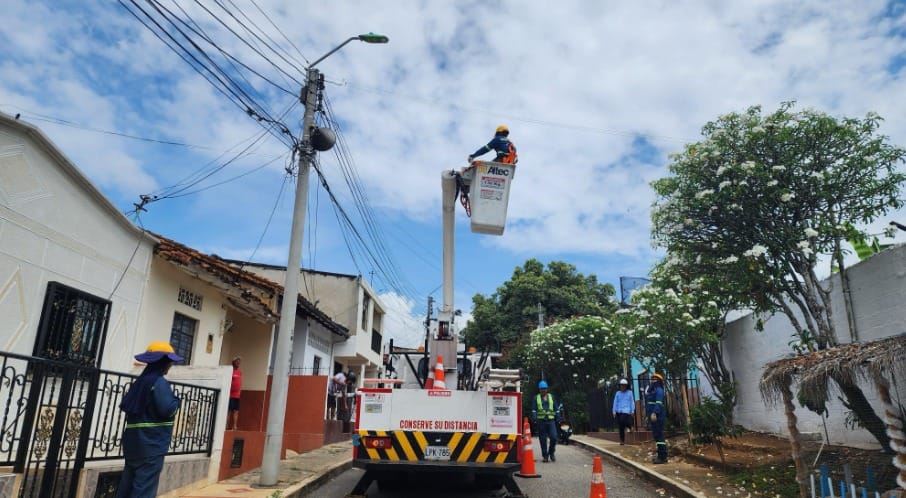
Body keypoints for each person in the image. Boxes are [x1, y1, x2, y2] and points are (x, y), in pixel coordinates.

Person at [116, 341, 182, 498]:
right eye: (169, 363)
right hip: (152, 444)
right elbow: (168, 409)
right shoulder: (159, 383)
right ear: (163, 364)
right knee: (144, 489)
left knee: (127, 487)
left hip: (133, 443)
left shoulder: (140, 382)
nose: (170, 366)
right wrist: (177, 401)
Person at [531, 380, 559, 463]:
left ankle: (551, 452)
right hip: (541, 421)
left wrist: (558, 417)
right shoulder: (536, 398)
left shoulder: (552, 397)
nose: (543, 390)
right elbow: (533, 410)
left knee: (554, 437)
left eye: (544, 389)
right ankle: (545, 456)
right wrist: (535, 419)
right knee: (543, 440)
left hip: (551, 421)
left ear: (547, 389)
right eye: (541, 389)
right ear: (539, 390)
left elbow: (556, 409)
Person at [645, 373, 667, 464]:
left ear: (659, 381)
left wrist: (654, 413)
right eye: (652, 379)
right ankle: (660, 456)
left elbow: (658, 403)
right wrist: (648, 416)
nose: (653, 381)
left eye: (655, 379)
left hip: (658, 416)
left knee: (659, 435)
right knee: (657, 436)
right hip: (653, 416)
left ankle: (662, 457)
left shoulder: (659, 390)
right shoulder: (653, 390)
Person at [612, 378, 635, 445]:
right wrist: (614, 411)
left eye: (624, 386)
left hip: (626, 410)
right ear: (620, 386)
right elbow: (615, 402)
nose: (623, 387)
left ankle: (630, 427)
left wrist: (632, 410)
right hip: (619, 411)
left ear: (626, 386)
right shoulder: (618, 393)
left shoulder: (629, 393)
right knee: (621, 427)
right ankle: (622, 440)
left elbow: (632, 402)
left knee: (623, 420)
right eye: (621, 385)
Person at [228, 356, 242, 430]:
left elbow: (239, 382)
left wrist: (239, 391)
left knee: (236, 411)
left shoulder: (239, 372)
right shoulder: (230, 371)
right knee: (229, 411)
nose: (238, 363)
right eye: (237, 362)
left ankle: (235, 426)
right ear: (233, 362)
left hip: (237, 396)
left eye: (239, 362)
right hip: (231, 395)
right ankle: (226, 426)